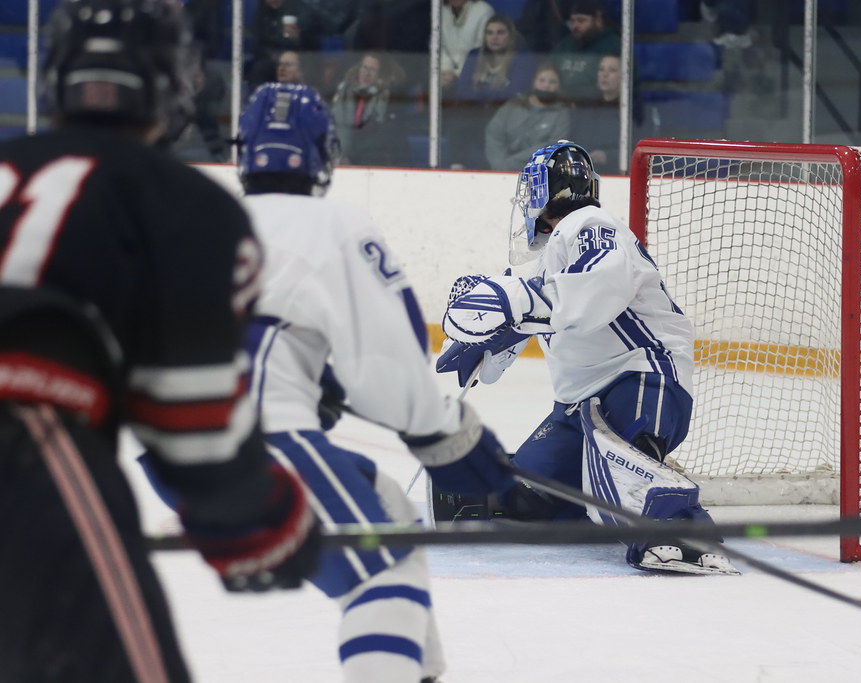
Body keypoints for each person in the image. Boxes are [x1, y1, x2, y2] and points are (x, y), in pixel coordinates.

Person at [0, 2, 322, 681]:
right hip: (26, 449)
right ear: (171, 86)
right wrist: (264, 521)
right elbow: (193, 429)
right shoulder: (187, 205)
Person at [232, 82, 513, 681]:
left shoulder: (197, 220)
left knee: (389, 511)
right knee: (383, 575)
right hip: (260, 444)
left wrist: (307, 380)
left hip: (171, 451)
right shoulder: (333, 222)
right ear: (323, 154)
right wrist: (449, 435)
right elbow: (391, 366)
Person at [437, 140, 739, 577]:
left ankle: (681, 531)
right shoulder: (552, 257)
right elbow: (539, 305)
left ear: (545, 190)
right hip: (576, 409)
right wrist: (491, 339)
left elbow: (597, 289)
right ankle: (590, 505)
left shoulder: (590, 223)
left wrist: (512, 299)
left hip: (641, 376)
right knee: (524, 498)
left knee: (619, 466)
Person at [447, 13, 535, 169]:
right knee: (459, 120)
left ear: (510, 36)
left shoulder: (522, 57)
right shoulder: (474, 55)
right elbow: (462, 90)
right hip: (476, 113)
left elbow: (515, 92)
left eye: (500, 33)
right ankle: (457, 165)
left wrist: (481, 94)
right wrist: (491, 95)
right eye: (490, 33)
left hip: (507, 114)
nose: (494, 37)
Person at [484, 62, 570, 170]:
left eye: (552, 82)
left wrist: (512, 164)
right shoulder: (512, 106)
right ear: (534, 82)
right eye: (542, 80)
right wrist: (499, 165)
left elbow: (553, 146)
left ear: (559, 86)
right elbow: (494, 136)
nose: (546, 85)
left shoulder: (561, 114)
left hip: (534, 172)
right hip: (497, 170)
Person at [330, 51, 409, 166]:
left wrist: (351, 157)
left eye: (373, 70)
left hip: (372, 160)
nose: (366, 74)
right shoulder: (343, 92)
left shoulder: (389, 99)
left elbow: (383, 135)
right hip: (339, 158)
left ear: (381, 75)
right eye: (364, 68)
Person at [550, 0, 621, 102]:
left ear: (598, 20)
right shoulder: (564, 44)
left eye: (581, 20)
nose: (575, 26)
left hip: (598, 107)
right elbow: (548, 71)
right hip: (561, 106)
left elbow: (630, 85)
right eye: (572, 21)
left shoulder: (614, 46)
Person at [441, 0, 496, 90]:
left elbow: (480, 50)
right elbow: (439, 46)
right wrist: (446, 69)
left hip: (474, 75)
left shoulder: (484, 11)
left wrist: (458, 74)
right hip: (445, 77)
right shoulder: (440, 11)